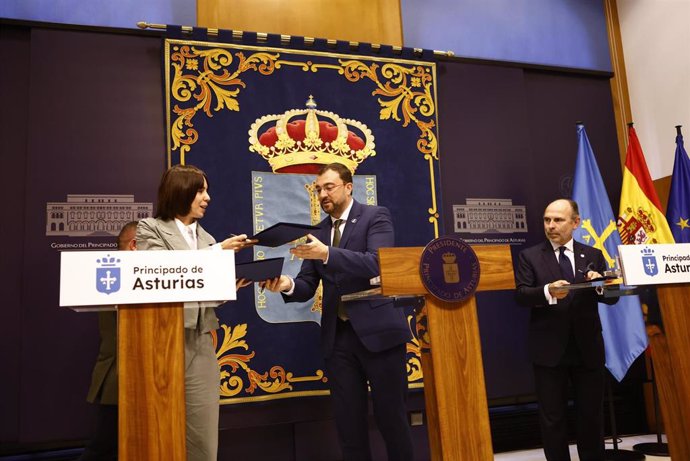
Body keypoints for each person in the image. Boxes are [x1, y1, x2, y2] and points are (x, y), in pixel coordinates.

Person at [262, 162, 414, 461]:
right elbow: (307, 283)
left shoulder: (375, 216)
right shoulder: (318, 231)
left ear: (348, 187)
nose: (322, 194)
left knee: (392, 419)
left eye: (329, 187)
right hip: (339, 339)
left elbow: (376, 264)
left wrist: (328, 253)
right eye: (318, 189)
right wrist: (286, 284)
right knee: (348, 425)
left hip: (379, 335)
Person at [136, 164, 253, 461]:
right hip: (162, 342)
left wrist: (230, 287)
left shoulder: (208, 239)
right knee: (159, 432)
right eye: (200, 190)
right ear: (181, 191)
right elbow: (162, 273)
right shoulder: (150, 229)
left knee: (203, 435)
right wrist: (218, 254)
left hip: (200, 343)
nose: (207, 198)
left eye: (206, 190)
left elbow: (205, 295)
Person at [515, 199, 618, 461]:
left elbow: (612, 296)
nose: (551, 226)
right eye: (547, 220)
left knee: (591, 416)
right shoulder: (530, 256)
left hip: (587, 349)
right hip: (549, 351)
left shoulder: (593, 254)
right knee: (553, 419)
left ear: (575, 223)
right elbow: (522, 295)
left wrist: (599, 284)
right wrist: (548, 291)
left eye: (558, 220)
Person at [79, 221, 137, 461]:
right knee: (103, 448)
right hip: (119, 379)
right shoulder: (119, 274)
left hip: (130, 379)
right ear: (134, 246)